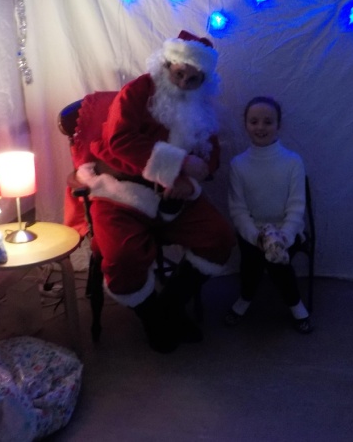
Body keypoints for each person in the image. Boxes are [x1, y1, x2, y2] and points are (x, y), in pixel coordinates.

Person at [75, 30, 236, 353]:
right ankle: (152, 318)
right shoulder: (137, 91)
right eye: (179, 74)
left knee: (219, 237)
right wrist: (178, 166)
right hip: (121, 189)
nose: (184, 83)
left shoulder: (201, 104)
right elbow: (119, 140)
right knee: (122, 258)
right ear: (167, 65)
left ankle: (169, 306)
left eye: (193, 79)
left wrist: (192, 180)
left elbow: (210, 153)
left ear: (203, 81)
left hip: (174, 198)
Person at [225, 96, 313, 334]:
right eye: (254, 121)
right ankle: (246, 296)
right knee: (252, 259)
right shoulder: (238, 164)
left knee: (276, 258)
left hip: (287, 231)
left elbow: (296, 207)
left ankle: (295, 304)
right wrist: (256, 237)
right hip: (254, 231)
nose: (260, 127)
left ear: (278, 125)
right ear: (246, 124)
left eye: (268, 122)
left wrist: (284, 236)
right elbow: (238, 210)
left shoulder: (293, 162)